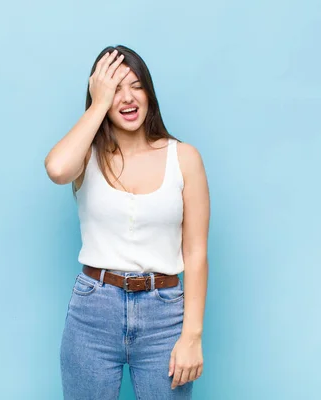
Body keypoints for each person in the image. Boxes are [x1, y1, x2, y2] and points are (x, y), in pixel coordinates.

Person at [44, 45, 210, 400]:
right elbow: (57, 170)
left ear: (149, 92)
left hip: (164, 313)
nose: (128, 97)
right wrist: (98, 103)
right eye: (115, 88)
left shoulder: (184, 158)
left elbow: (195, 253)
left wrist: (191, 335)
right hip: (93, 311)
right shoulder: (85, 157)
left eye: (135, 85)